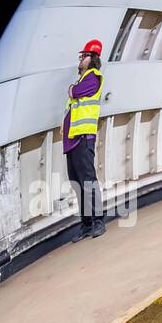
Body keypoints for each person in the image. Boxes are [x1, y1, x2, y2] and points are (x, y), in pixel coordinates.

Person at [63, 40, 105, 239]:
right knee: (76, 181)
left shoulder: (93, 77)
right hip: (72, 139)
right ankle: (86, 224)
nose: (80, 59)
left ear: (93, 58)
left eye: (84, 56)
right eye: (81, 56)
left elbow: (75, 93)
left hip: (84, 137)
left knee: (88, 180)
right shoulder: (81, 79)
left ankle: (98, 221)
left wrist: (72, 89)